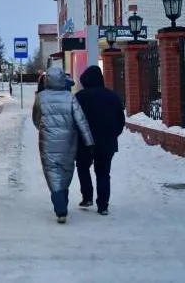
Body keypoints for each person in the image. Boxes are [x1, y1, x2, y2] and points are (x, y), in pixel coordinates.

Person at [32, 66, 94, 224]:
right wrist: (89, 142)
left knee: (51, 172)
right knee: (66, 171)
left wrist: (43, 127)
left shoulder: (41, 97)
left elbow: (36, 118)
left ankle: (60, 206)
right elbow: (81, 121)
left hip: (47, 141)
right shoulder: (70, 97)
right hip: (68, 142)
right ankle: (62, 201)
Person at [74, 65, 126, 216]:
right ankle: (103, 205)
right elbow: (120, 120)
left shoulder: (80, 97)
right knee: (103, 173)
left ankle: (87, 196)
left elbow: (75, 120)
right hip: (107, 143)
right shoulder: (113, 96)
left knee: (83, 168)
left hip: (85, 143)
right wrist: (112, 135)